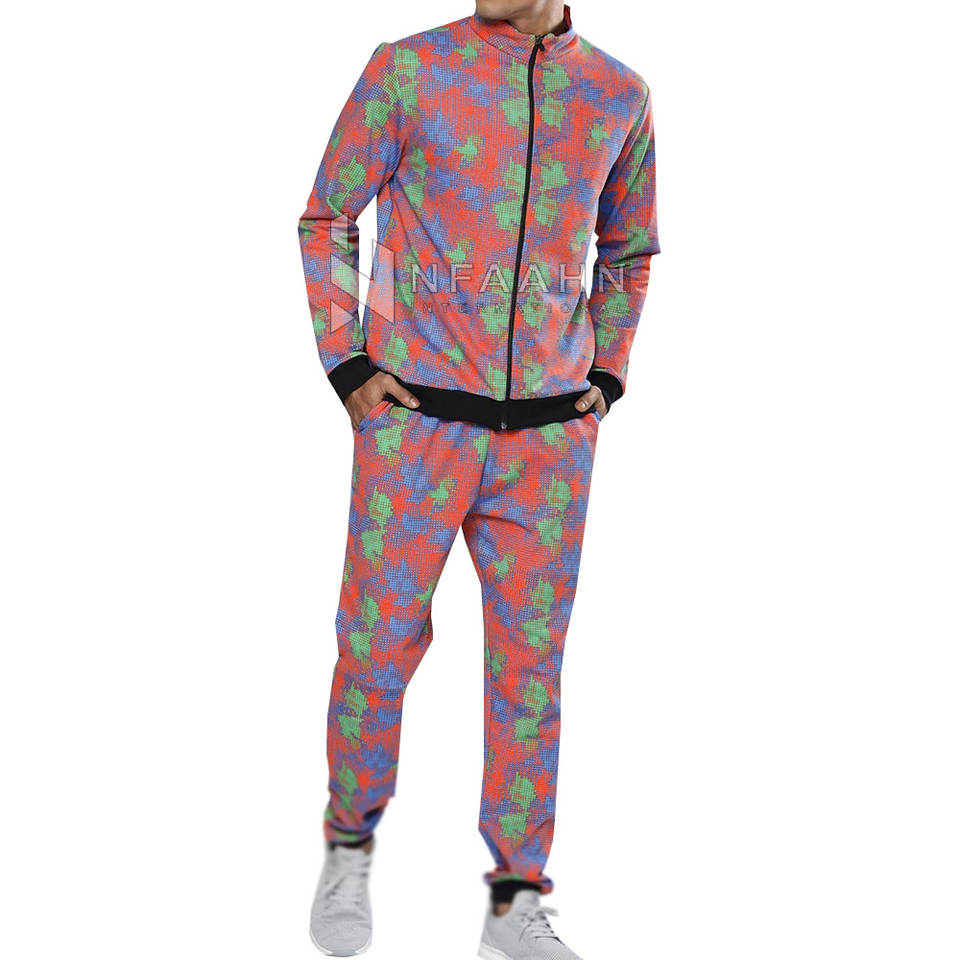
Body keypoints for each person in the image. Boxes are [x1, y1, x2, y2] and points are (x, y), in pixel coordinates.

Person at [298, 1, 657, 955]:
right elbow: (328, 213)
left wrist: (607, 373)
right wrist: (348, 361)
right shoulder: (409, 69)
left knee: (529, 672)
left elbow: (629, 250)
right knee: (375, 647)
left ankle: (514, 899)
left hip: (548, 444)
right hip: (413, 424)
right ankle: (349, 845)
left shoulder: (617, 94)